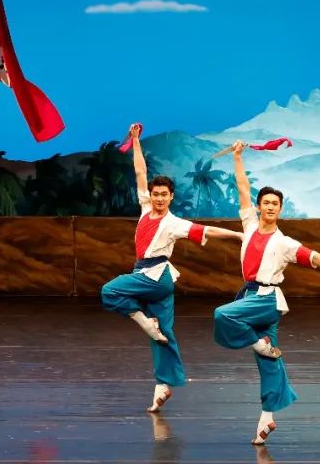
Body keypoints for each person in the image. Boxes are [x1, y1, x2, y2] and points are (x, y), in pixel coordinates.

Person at [213, 140, 320, 445]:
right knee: (268, 364)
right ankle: (266, 419)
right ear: (259, 206)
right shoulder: (249, 225)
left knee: (222, 315)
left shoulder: (284, 242)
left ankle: (260, 344)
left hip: (266, 300)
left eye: (275, 204)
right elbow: (242, 188)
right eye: (265, 202)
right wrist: (238, 157)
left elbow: (314, 257)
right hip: (249, 296)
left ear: (280, 209)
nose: (269, 207)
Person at [100, 124, 243, 413]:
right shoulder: (145, 208)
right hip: (154, 278)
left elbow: (207, 230)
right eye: (156, 194)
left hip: (154, 277)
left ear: (171, 197)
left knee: (109, 292)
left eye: (164, 194)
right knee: (163, 333)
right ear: (151, 195)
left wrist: (237, 235)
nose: (159, 198)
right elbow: (140, 171)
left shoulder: (174, 223)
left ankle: (144, 321)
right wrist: (136, 140)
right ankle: (163, 386)